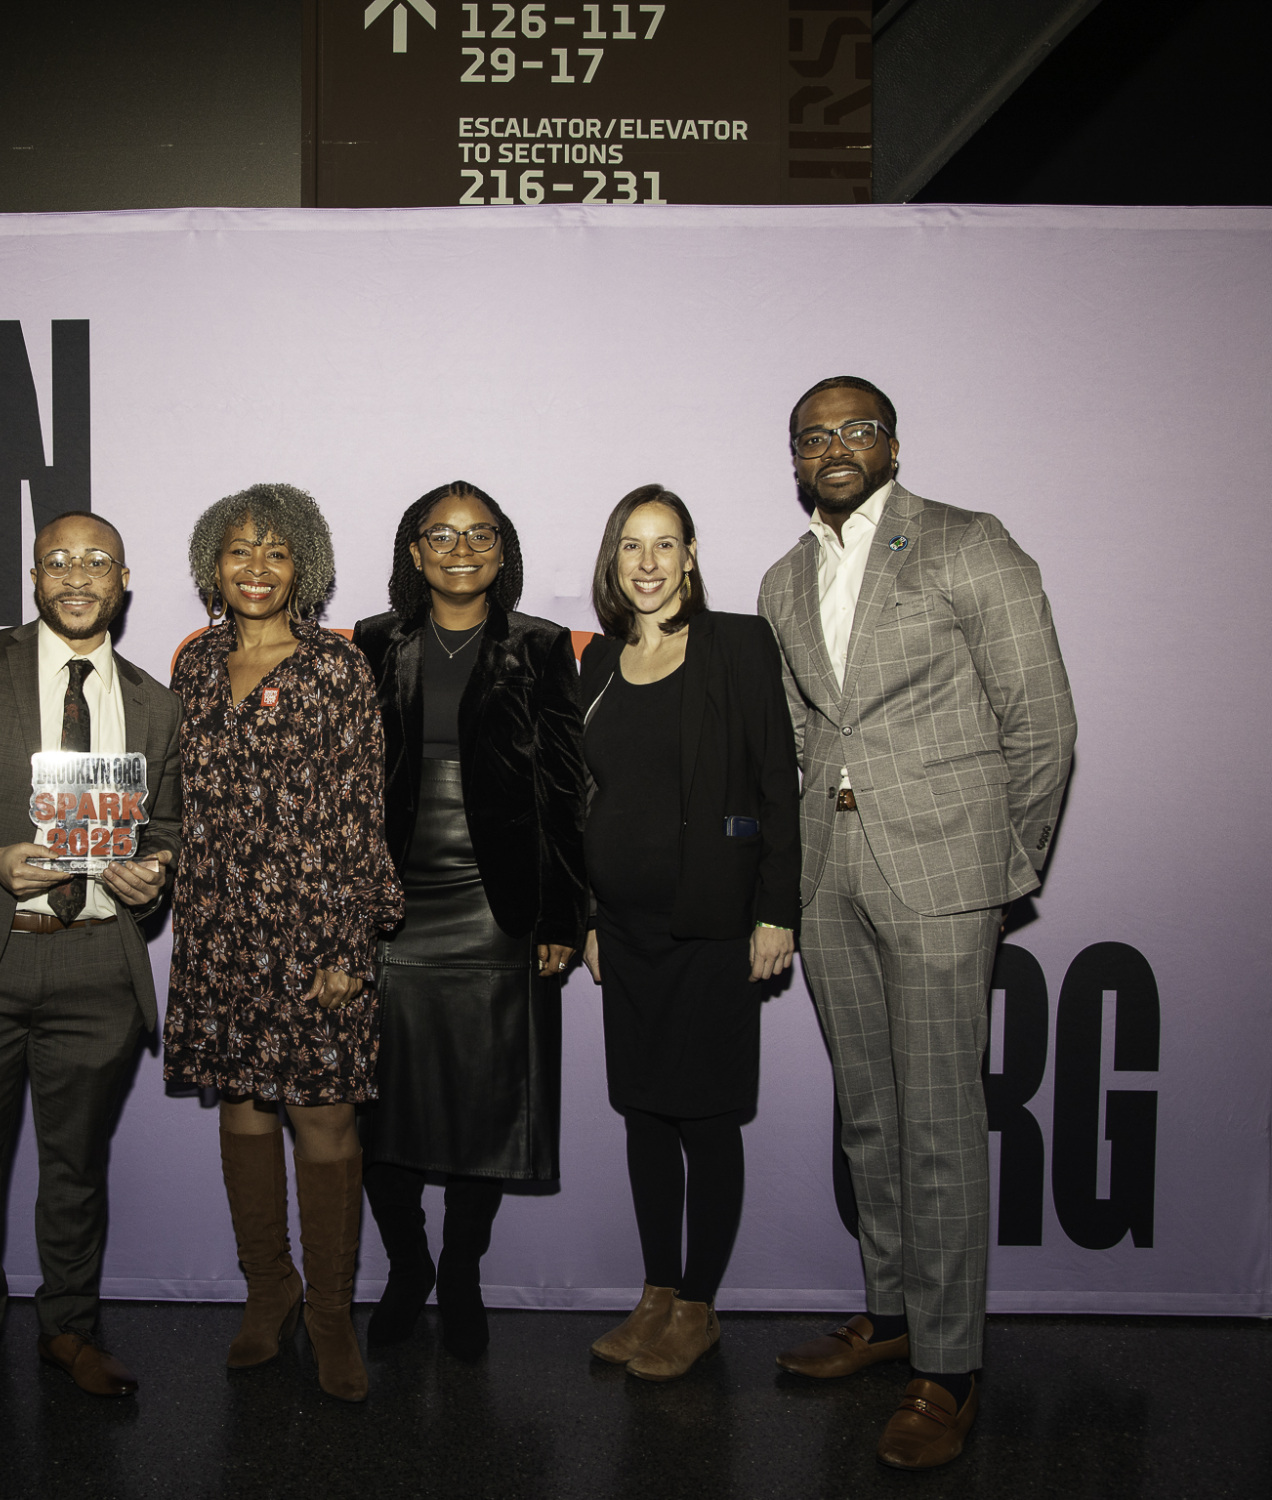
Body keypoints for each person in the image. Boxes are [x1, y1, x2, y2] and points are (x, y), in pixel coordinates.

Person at [758, 377, 1076, 1468]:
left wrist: (999, 860)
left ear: (891, 443)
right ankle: (890, 1315)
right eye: (812, 435)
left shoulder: (965, 543)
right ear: (793, 457)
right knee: (869, 1116)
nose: (833, 446)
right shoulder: (781, 579)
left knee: (938, 1122)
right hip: (826, 873)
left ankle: (948, 1368)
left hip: (943, 873)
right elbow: (800, 735)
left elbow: (1041, 721)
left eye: (854, 429)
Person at [0, 510, 183, 1423]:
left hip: (96, 964)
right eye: (60, 559)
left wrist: (152, 874)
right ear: (34, 575)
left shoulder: (155, 701)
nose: (79, 574)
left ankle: (70, 1331)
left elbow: (165, 827)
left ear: (124, 580)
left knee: (76, 1169)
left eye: (98, 560)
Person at [164, 483, 402, 1403]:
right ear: (210, 564)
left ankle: (331, 1314)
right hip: (221, 926)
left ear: (304, 565)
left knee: (324, 1117)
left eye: (276, 552)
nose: (255, 568)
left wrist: (350, 943)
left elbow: (359, 812)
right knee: (244, 1109)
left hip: (312, 927)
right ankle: (270, 1292)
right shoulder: (194, 665)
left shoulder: (337, 670)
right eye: (237, 551)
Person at [351, 480, 586, 1362]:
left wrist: (562, 909)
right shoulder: (373, 643)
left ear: (502, 549)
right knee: (385, 1100)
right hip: (392, 900)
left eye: (478, 534)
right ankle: (407, 1266)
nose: (460, 548)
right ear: (414, 552)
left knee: (486, 1099)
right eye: (439, 535)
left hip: (500, 901)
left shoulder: (540, 646)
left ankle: (461, 1269)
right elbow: (345, 789)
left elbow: (567, 788)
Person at [576, 484, 800, 1382]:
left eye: (665, 545)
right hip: (624, 931)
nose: (648, 563)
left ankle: (699, 1306)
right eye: (632, 545)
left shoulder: (737, 646)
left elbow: (776, 781)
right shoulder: (595, 666)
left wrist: (777, 908)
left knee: (704, 1119)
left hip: (711, 926)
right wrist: (587, 915)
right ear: (614, 558)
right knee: (642, 1114)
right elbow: (582, 800)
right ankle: (656, 1295)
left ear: (693, 556)